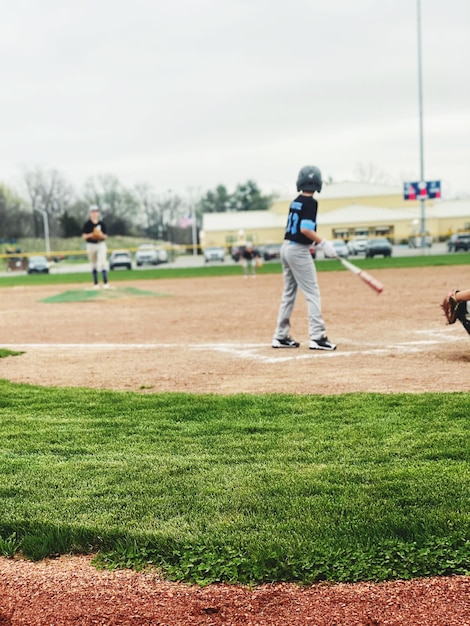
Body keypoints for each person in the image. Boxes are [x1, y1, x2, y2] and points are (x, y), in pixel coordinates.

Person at [272, 165, 337, 350]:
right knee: (312, 293)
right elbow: (305, 229)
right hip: (297, 251)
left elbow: (300, 231)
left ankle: (281, 335)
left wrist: (314, 244)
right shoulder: (311, 203)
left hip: (286, 247)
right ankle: (317, 336)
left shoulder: (296, 201)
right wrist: (323, 243)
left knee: (289, 293)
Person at [82, 205, 109, 289]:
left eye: (96, 212)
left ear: (98, 213)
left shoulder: (101, 224)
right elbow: (84, 236)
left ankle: (105, 283)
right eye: (93, 212)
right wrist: (91, 235)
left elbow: (105, 236)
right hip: (91, 245)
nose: (94, 213)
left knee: (103, 263)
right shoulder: (87, 224)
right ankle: (96, 283)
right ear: (90, 213)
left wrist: (100, 235)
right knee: (93, 264)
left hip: (100, 244)